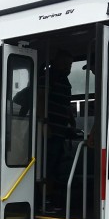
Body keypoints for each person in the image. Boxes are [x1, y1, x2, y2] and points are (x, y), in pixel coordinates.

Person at [45, 51, 75, 210]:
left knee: (57, 166)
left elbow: (66, 105)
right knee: (49, 166)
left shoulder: (65, 80)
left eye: (70, 65)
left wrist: (71, 122)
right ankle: (47, 199)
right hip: (50, 130)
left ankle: (53, 198)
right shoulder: (49, 76)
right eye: (66, 64)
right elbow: (41, 98)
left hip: (61, 130)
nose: (69, 68)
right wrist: (45, 125)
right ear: (56, 62)